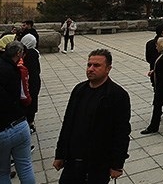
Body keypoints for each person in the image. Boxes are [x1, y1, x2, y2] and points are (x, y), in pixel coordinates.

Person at [53, 49, 131, 183]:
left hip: (98, 163)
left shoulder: (117, 95)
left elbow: (121, 132)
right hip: (73, 159)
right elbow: (68, 123)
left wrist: (117, 165)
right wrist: (60, 154)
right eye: (89, 65)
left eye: (96, 65)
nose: (91, 69)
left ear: (108, 69)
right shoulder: (79, 90)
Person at [20, 34, 41, 132]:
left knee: (29, 101)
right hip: (34, 81)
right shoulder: (34, 53)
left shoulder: (29, 54)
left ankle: (29, 123)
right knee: (32, 100)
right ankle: (30, 122)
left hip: (30, 81)